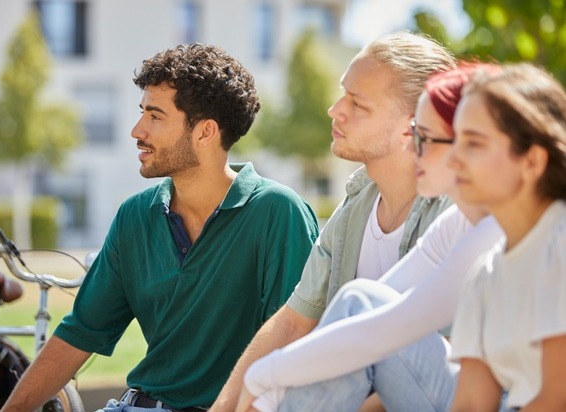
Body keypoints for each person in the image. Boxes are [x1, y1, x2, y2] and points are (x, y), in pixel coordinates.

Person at [0, 43, 319, 412]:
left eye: (155, 116)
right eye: (142, 113)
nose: (137, 130)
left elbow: (294, 349)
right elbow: (79, 333)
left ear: (205, 132)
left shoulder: (277, 213)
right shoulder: (135, 215)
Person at [237, 63, 505, 412]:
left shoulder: (514, 234)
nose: (414, 149)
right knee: (360, 301)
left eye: (424, 137)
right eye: (414, 133)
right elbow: (371, 319)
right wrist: (266, 385)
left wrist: (263, 380)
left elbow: (381, 329)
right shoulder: (459, 224)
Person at [211, 31, 456, 412]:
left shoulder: (457, 209)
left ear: (414, 123)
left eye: (357, 103)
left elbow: (443, 359)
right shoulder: (356, 204)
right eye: (344, 93)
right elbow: (292, 323)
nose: (335, 109)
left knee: (362, 311)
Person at [449, 63, 566, 411]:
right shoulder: (483, 276)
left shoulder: (559, 244)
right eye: (456, 140)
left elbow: (557, 398)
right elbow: (471, 403)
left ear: (532, 161)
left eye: (474, 143)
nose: (454, 158)